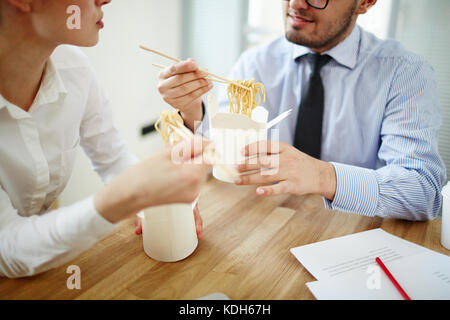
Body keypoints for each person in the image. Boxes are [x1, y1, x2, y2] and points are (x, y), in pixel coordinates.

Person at [157, 0, 446, 221]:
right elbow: (221, 158)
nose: (295, 4)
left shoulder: (405, 73)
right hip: (267, 226)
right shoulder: (255, 64)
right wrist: (192, 111)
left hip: (356, 235)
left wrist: (322, 176)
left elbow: (423, 191)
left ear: (366, 2)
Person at [0, 0, 211, 278]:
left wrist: (155, 204)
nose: (106, 0)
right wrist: (119, 200)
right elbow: (7, 248)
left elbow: (112, 158)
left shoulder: (74, 69)